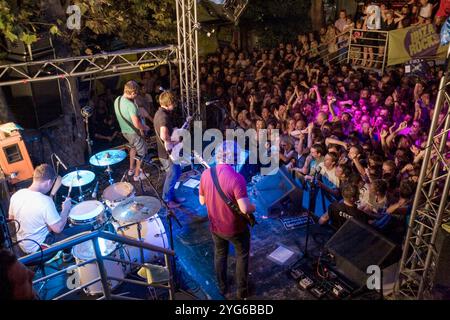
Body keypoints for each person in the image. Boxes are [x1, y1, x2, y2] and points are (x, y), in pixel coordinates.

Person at [199, 141, 256, 299]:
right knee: (242, 255)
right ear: (233, 158)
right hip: (235, 228)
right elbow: (244, 209)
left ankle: (222, 287)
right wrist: (254, 207)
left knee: (220, 255)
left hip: (215, 226)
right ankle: (241, 291)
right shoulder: (237, 178)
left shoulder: (206, 174)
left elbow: (202, 201)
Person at [8, 164, 90, 257]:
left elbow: (11, 220)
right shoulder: (45, 201)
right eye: (51, 184)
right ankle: (70, 255)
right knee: (87, 229)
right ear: (48, 182)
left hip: (23, 245)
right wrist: (65, 209)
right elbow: (58, 229)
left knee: (61, 221)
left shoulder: (17, 195)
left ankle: (67, 253)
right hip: (40, 248)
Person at [153, 90, 185, 208]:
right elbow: (163, 136)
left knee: (176, 174)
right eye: (173, 103)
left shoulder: (159, 113)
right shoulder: (163, 117)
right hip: (167, 153)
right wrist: (176, 141)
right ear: (168, 103)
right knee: (172, 176)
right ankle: (167, 201)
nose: (175, 105)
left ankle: (172, 197)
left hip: (166, 152)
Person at [114, 80, 149, 181]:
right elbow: (136, 124)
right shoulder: (131, 106)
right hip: (133, 133)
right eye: (136, 94)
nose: (136, 96)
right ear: (132, 93)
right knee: (142, 154)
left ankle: (131, 169)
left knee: (133, 148)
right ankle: (137, 175)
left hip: (124, 131)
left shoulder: (118, 99)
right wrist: (145, 127)